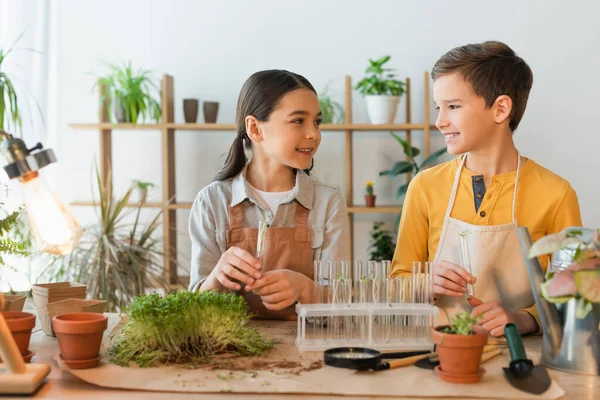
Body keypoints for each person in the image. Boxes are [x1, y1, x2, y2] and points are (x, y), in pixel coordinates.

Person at [391, 41, 582, 336]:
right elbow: (397, 281)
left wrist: (523, 319)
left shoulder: (556, 194)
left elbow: (573, 298)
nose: (439, 121)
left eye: (453, 106)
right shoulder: (425, 187)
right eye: (438, 108)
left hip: (520, 357)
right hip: (438, 352)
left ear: (500, 108)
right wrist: (423, 283)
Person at [188, 69, 350, 320]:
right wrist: (217, 277)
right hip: (232, 352)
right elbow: (193, 311)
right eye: (298, 121)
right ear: (255, 129)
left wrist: (306, 289)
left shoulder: (328, 203)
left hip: (307, 352)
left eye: (317, 122)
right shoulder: (211, 202)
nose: (314, 134)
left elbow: (343, 309)